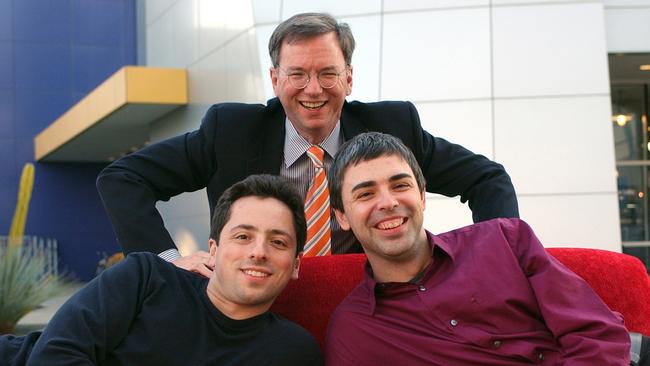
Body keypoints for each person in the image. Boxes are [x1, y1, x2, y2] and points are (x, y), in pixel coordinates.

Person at [96, 12, 519, 275]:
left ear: (349, 79)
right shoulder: (230, 131)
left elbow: (487, 179)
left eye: (328, 74)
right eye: (297, 74)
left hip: (369, 305)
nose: (312, 89)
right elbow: (123, 178)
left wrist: (483, 261)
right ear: (275, 79)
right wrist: (169, 262)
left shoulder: (392, 128)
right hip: (257, 309)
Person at [324, 132, 631, 365]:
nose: (388, 202)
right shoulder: (353, 330)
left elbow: (598, 336)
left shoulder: (505, 239)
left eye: (400, 186)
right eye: (365, 194)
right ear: (342, 216)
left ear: (422, 195)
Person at [0, 175, 323, 366]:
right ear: (214, 248)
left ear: (295, 265)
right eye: (242, 236)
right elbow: (55, 356)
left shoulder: (293, 351)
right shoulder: (147, 276)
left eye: (278, 242)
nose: (258, 252)